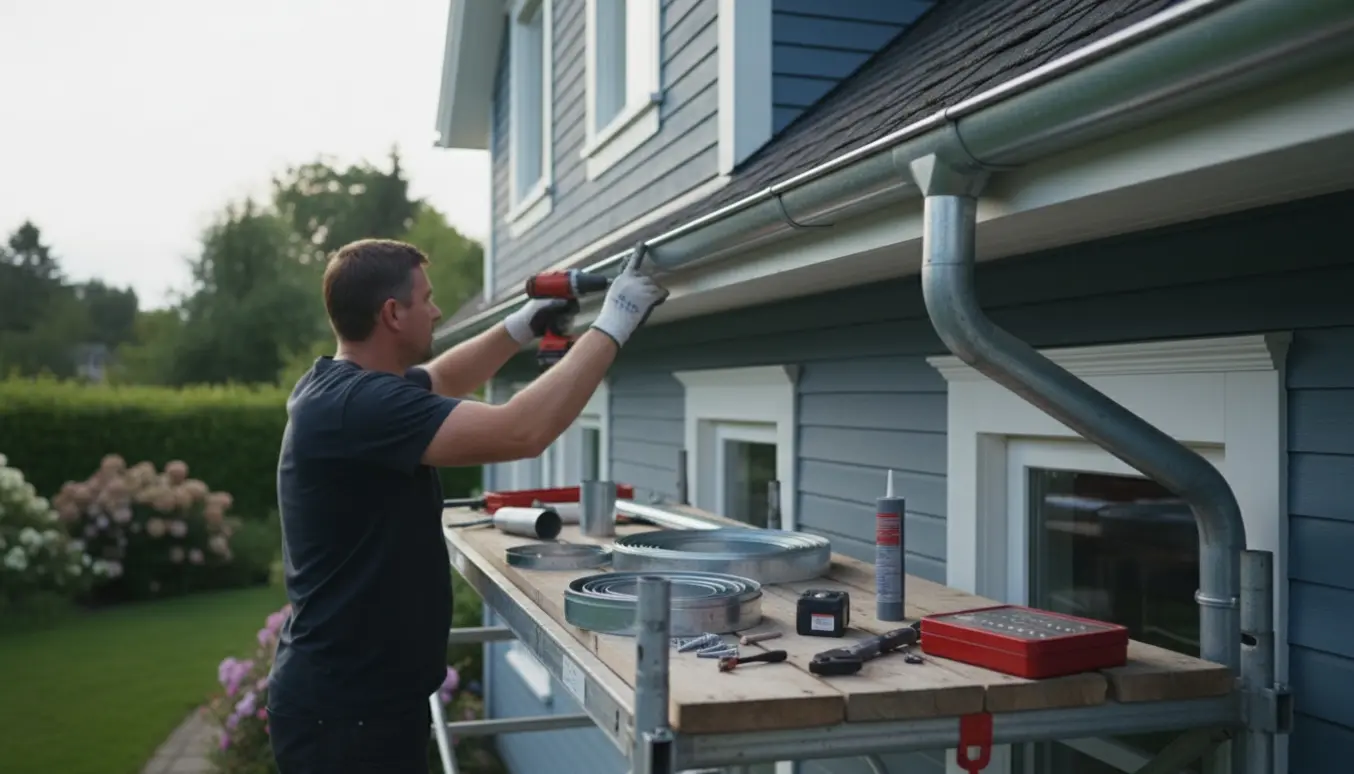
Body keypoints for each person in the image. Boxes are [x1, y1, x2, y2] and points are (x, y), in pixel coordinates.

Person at [266, 238, 668, 774]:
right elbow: (521, 430)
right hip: (347, 715)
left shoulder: (347, 388)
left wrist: (521, 325)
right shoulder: (359, 406)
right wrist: (614, 322)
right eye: (426, 299)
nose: (436, 311)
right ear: (391, 313)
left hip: (355, 701)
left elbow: (441, 379)